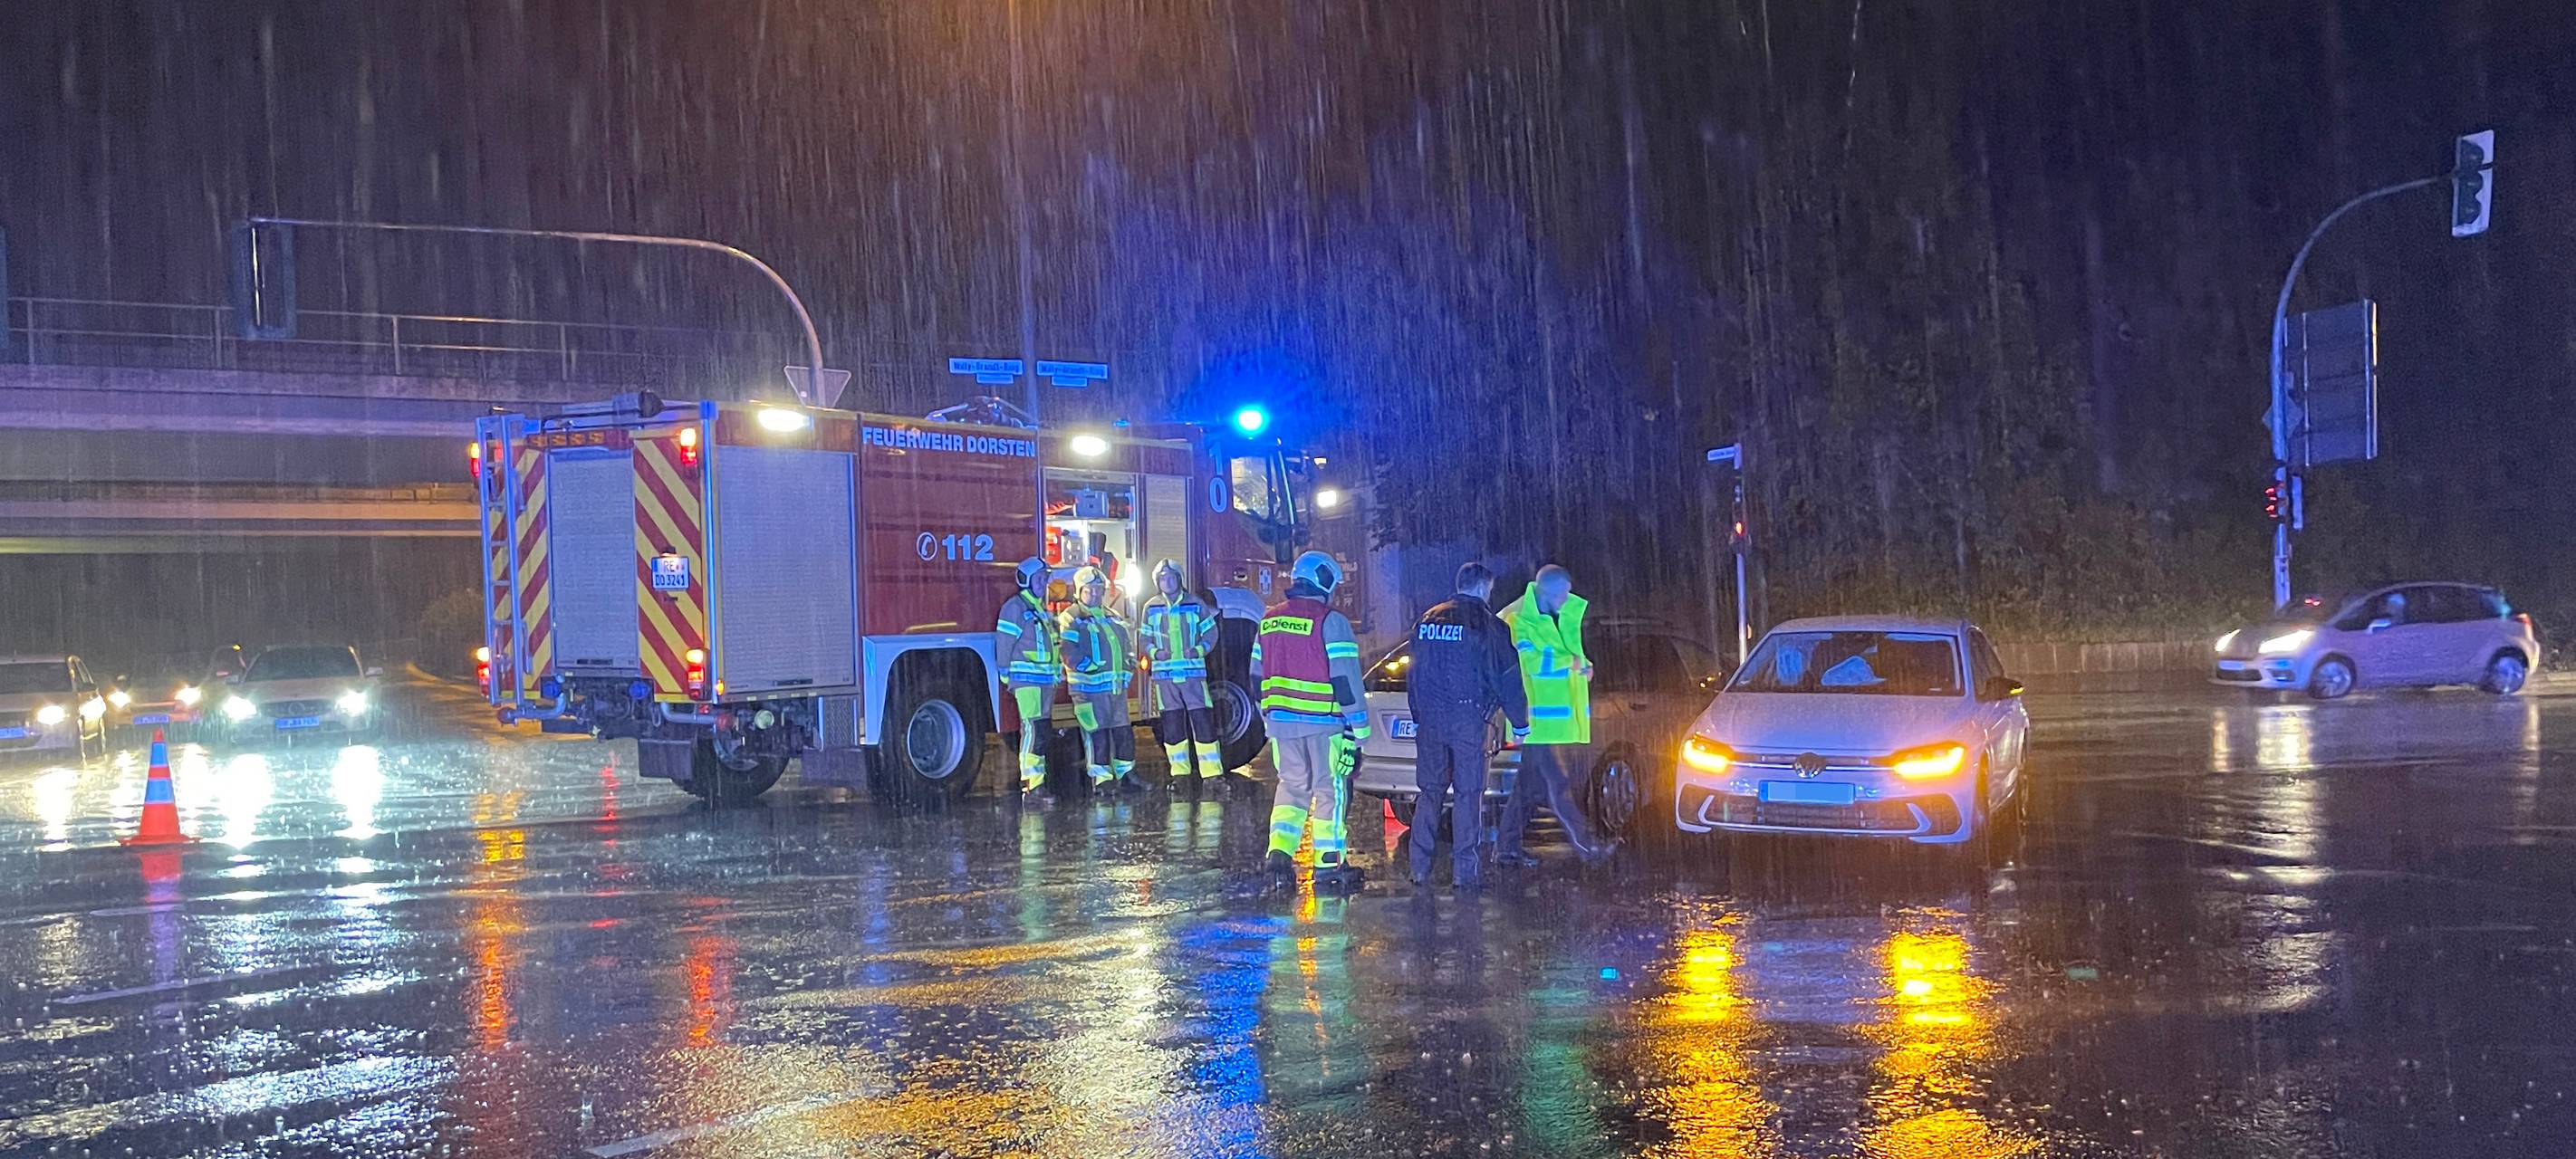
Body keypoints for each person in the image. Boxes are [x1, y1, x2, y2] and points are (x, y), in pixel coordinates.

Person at [1401, 561, 1529, 888]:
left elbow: (1413, 675)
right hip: (1469, 720)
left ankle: (1419, 868)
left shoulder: (1427, 620)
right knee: (1468, 795)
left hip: (1431, 719)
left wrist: (1419, 715)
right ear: (1484, 587)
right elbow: (1507, 678)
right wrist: (1520, 722)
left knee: (1429, 792)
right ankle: (1464, 873)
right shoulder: (1488, 624)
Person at [1250, 550, 1370, 891]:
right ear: (1325, 580)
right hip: (1324, 725)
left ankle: (1278, 858)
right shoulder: (1331, 621)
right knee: (1329, 792)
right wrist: (1359, 731)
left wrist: (1268, 717)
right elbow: (1345, 680)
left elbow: (1255, 676)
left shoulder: (1268, 620)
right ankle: (1329, 866)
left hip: (1281, 725)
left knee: (1290, 789)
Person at [1496, 563, 1615, 865]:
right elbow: (1531, 662)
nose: (1568, 597)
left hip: (1548, 724)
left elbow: (1561, 655)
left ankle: (1506, 848)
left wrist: (1582, 665)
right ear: (1548, 592)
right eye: (1564, 592)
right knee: (1559, 786)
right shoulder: (1520, 620)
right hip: (1537, 722)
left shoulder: (1550, 615)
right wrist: (1572, 663)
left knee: (1528, 789)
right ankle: (1589, 848)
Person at [1139, 559, 1226, 789]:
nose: (1167, 582)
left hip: (1193, 677)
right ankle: (1180, 775)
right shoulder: (1151, 607)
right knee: (1173, 726)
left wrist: (1199, 650)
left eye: (1171, 578)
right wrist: (1155, 653)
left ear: (1179, 579)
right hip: (1165, 679)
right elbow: (1144, 638)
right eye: (1162, 579)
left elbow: (1211, 633)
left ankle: (1212, 775)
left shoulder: (1196, 604)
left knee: (1203, 723)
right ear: (1157, 583)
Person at [1058, 565, 1141, 792]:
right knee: (1097, 735)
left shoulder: (1111, 616)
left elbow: (1126, 647)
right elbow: (1067, 651)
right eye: (1089, 590)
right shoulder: (1071, 618)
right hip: (1088, 690)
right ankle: (1102, 781)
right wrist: (1090, 667)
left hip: (1115, 689)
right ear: (1079, 591)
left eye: (1098, 589)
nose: (1095, 594)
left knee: (1123, 732)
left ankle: (1127, 775)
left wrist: (1129, 667)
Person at [995, 557, 1061, 799]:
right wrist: (1005, 674)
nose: (1045, 583)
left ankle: (1038, 781)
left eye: (1046, 578)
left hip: (1044, 680)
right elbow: (1004, 643)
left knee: (1041, 730)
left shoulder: (1038, 607)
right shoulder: (1015, 607)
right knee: (1033, 729)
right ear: (1027, 580)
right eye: (1041, 578)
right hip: (1027, 680)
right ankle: (1033, 784)